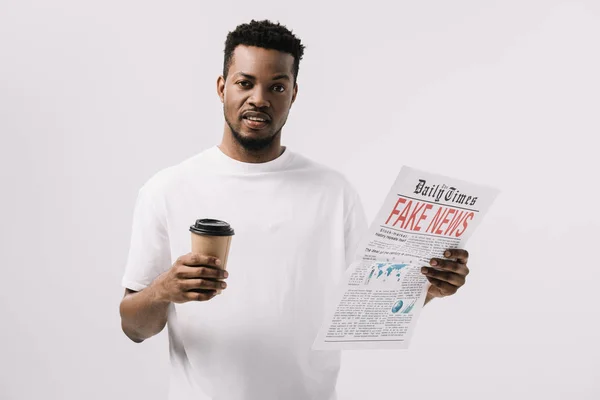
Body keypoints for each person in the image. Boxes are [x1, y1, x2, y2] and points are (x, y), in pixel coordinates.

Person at [119, 19, 471, 400]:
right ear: (222, 88)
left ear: (294, 94)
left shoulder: (333, 192)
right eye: (245, 83)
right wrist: (162, 290)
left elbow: (370, 309)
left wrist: (430, 288)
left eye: (277, 87)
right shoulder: (167, 189)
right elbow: (133, 327)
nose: (259, 98)